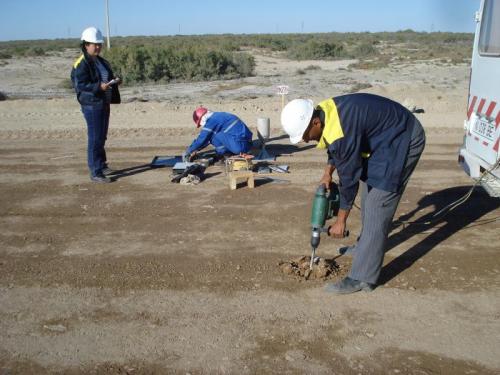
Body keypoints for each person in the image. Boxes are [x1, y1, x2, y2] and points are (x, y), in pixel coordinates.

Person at [281, 93, 426, 294]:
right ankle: (364, 248)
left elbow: (349, 180)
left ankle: (362, 278)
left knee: (378, 205)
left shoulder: (339, 130)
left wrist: (341, 221)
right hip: (383, 139)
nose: (305, 140)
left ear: (315, 122)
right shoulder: (325, 114)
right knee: (369, 193)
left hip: (403, 138)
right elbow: (335, 147)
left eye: (305, 134)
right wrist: (327, 174)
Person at [71, 27, 121, 183]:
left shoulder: (101, 61)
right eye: (95, 44)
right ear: (86, 45)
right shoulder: (81, 63)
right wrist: (99, 87)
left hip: (103, 103)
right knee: (95, 137)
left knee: (101, 136)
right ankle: (95, 171)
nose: (98, 47)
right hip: (92, 105)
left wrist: (115, 81)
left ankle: (101, 164)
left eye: (99, 44)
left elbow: (107, 77)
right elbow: (81, 85)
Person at [182, 107, 253, 162]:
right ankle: (227, 153)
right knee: (212, 135)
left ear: (202, 119)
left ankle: (225, 153)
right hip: (246, 144)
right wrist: (196, 149)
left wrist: (189, 151)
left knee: (213, 136)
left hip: (240, 146)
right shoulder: (217, 116)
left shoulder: (212, 121)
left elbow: (202, 139)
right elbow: (205, 140)